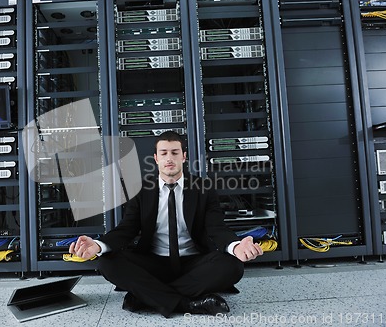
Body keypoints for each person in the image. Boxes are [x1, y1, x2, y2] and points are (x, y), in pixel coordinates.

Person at [69, 131, 263, 318]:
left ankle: (148, 296)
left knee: (233, 266)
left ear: (184, 157)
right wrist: (98, 245)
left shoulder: (203, 189)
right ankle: (188, 304)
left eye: (174, 152)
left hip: (193, 263)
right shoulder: (141, 190)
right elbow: (126, 229)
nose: (169, 158)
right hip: (153, 261)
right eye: (164, 153)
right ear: (156, 158)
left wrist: (236, 246)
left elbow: (216, 228)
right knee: (107, 262)